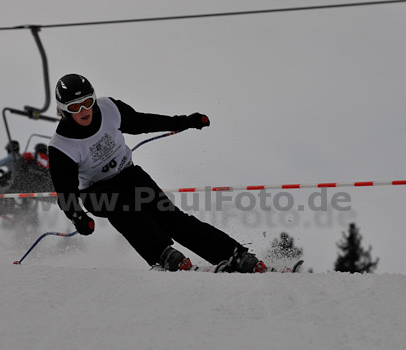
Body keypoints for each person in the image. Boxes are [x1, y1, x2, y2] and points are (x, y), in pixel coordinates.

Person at [48, 74, 267, 273]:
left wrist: (185, 121)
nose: (84, 110)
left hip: (128, 175)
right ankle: (163, 255)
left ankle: (233, 255)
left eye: (87, 102)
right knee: (122, 207)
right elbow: (65, 193)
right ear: (64, 110)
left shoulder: (109, 109)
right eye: (75, 107)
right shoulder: (61, 146)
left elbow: (144, 122)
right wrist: (79, 218)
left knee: (171, 217)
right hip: (95, 191)